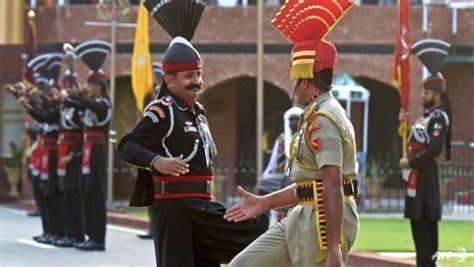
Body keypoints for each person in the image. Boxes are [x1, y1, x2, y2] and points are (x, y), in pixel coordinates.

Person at [118, 1, 268, 266]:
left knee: (254, 227)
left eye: (198, 74)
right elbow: (127, 145)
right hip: (175, 209)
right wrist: (157, 161)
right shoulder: (162, 111)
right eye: (188, 76)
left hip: (201, 206)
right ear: (170, 81)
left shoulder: (197, 110)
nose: (196, 81)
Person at [224, 1, 359, 266]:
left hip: (322, 224)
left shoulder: (325, 118)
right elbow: (311, 185)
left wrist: (333, 247)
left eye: (295, 79)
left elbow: (332, 185)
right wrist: (263, 203)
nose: (294, 86)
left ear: (304, 80)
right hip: (301, 215)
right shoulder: (315, 112)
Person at [400, 38, 452, 267]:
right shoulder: (424, 118)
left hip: (426, 178)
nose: (422, 96)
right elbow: (412, 141)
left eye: (426, 93)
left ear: (436, 94)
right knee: (417, 230)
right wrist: (403, 124)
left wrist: (411, 163)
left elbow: (435, 148)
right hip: (415, 179)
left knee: (427, 233)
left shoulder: (439, 118)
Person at [60, 39, 112, 251]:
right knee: (87, 195)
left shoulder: (103, 104)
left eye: (91, 85)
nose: (88, 87)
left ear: (99, 87)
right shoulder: (91, 103)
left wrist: (73, 96)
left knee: (96, 197)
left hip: (97, 153)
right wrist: (68, 98)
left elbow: (89, 104)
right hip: (88, 153)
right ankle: (91, 236)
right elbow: (77, 104)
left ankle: (98, 238)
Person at [53, 43, 86, 247]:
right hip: (63, 152)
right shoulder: (64, 107)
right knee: (65, 195)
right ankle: (67, 232)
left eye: (70, 87)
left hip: (75, 156)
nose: (67, 90)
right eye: (66, 86)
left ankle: (77, 234)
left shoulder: (79, 107)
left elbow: (83, 135)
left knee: (75, 197)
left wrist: (72, 155)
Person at [259, 106, 303, 223]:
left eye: (297, 119)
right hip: (281, 181)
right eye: (291, 119)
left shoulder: (306, 139)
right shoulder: (281, 140)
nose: (294, 122)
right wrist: (266, 175)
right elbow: (273, 162)